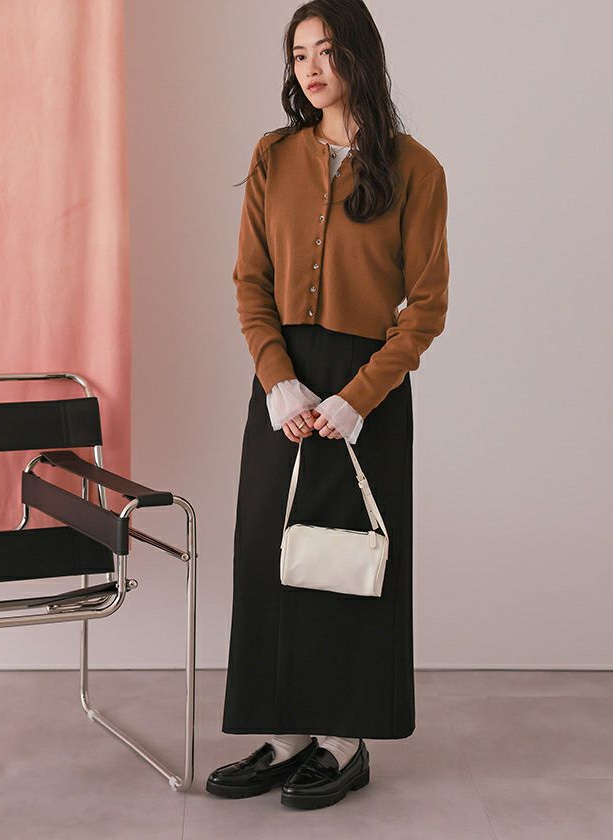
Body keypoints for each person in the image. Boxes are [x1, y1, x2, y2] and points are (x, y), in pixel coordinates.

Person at [207, 0, 449, 811]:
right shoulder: (273, 156)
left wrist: (358, 398)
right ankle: (284, 734)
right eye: (299, 53)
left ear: (361, 57)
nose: (311, 67)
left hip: (365, 389)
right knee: (266, 553)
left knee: (346, 567)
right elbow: (250, 283)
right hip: (282, 383)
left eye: (327, 50)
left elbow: (426, 307)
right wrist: (277, 380)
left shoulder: (416, 170)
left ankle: (344, 741)